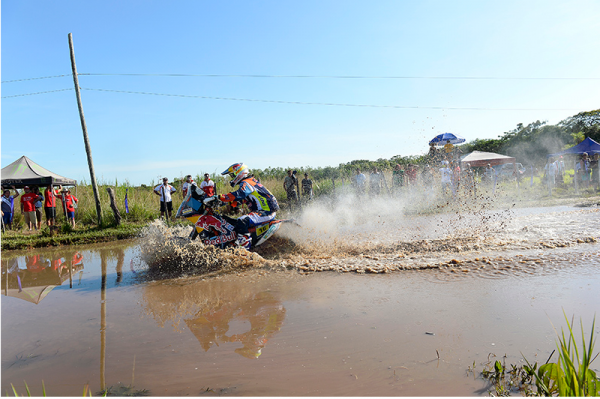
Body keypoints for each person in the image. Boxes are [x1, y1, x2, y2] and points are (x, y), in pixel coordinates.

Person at [219, 163, 280, 249]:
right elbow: (239, 200)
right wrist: (222, 203)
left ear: (240, 173)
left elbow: (239, 194)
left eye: (233, 175)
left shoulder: (246, 182)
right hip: (264, 211)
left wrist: (221, 197)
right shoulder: (250, 181)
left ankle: (245, 251)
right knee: (234, 222)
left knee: (242, 220)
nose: (232, 178)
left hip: (266, 212)